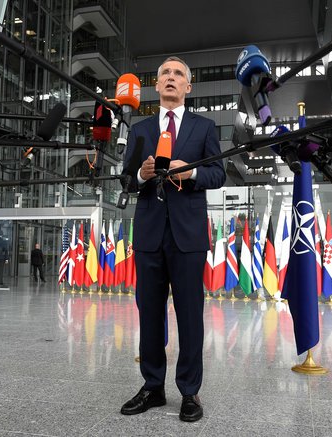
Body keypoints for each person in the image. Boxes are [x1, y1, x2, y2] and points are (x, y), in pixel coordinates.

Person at [120, 56, 226, 422]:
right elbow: (125, 179)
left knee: (190, 316)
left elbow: (219, 174)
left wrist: (191, 170)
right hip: (149, 233)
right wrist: (141, 174)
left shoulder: (205, 127)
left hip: (188, 235)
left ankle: (190, 392)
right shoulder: (140, 129)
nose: (170, 77)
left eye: (178, 73)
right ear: (156, 85)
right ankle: (152, 387)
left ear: (187, 87)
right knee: (149, 312)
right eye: (164, 72)